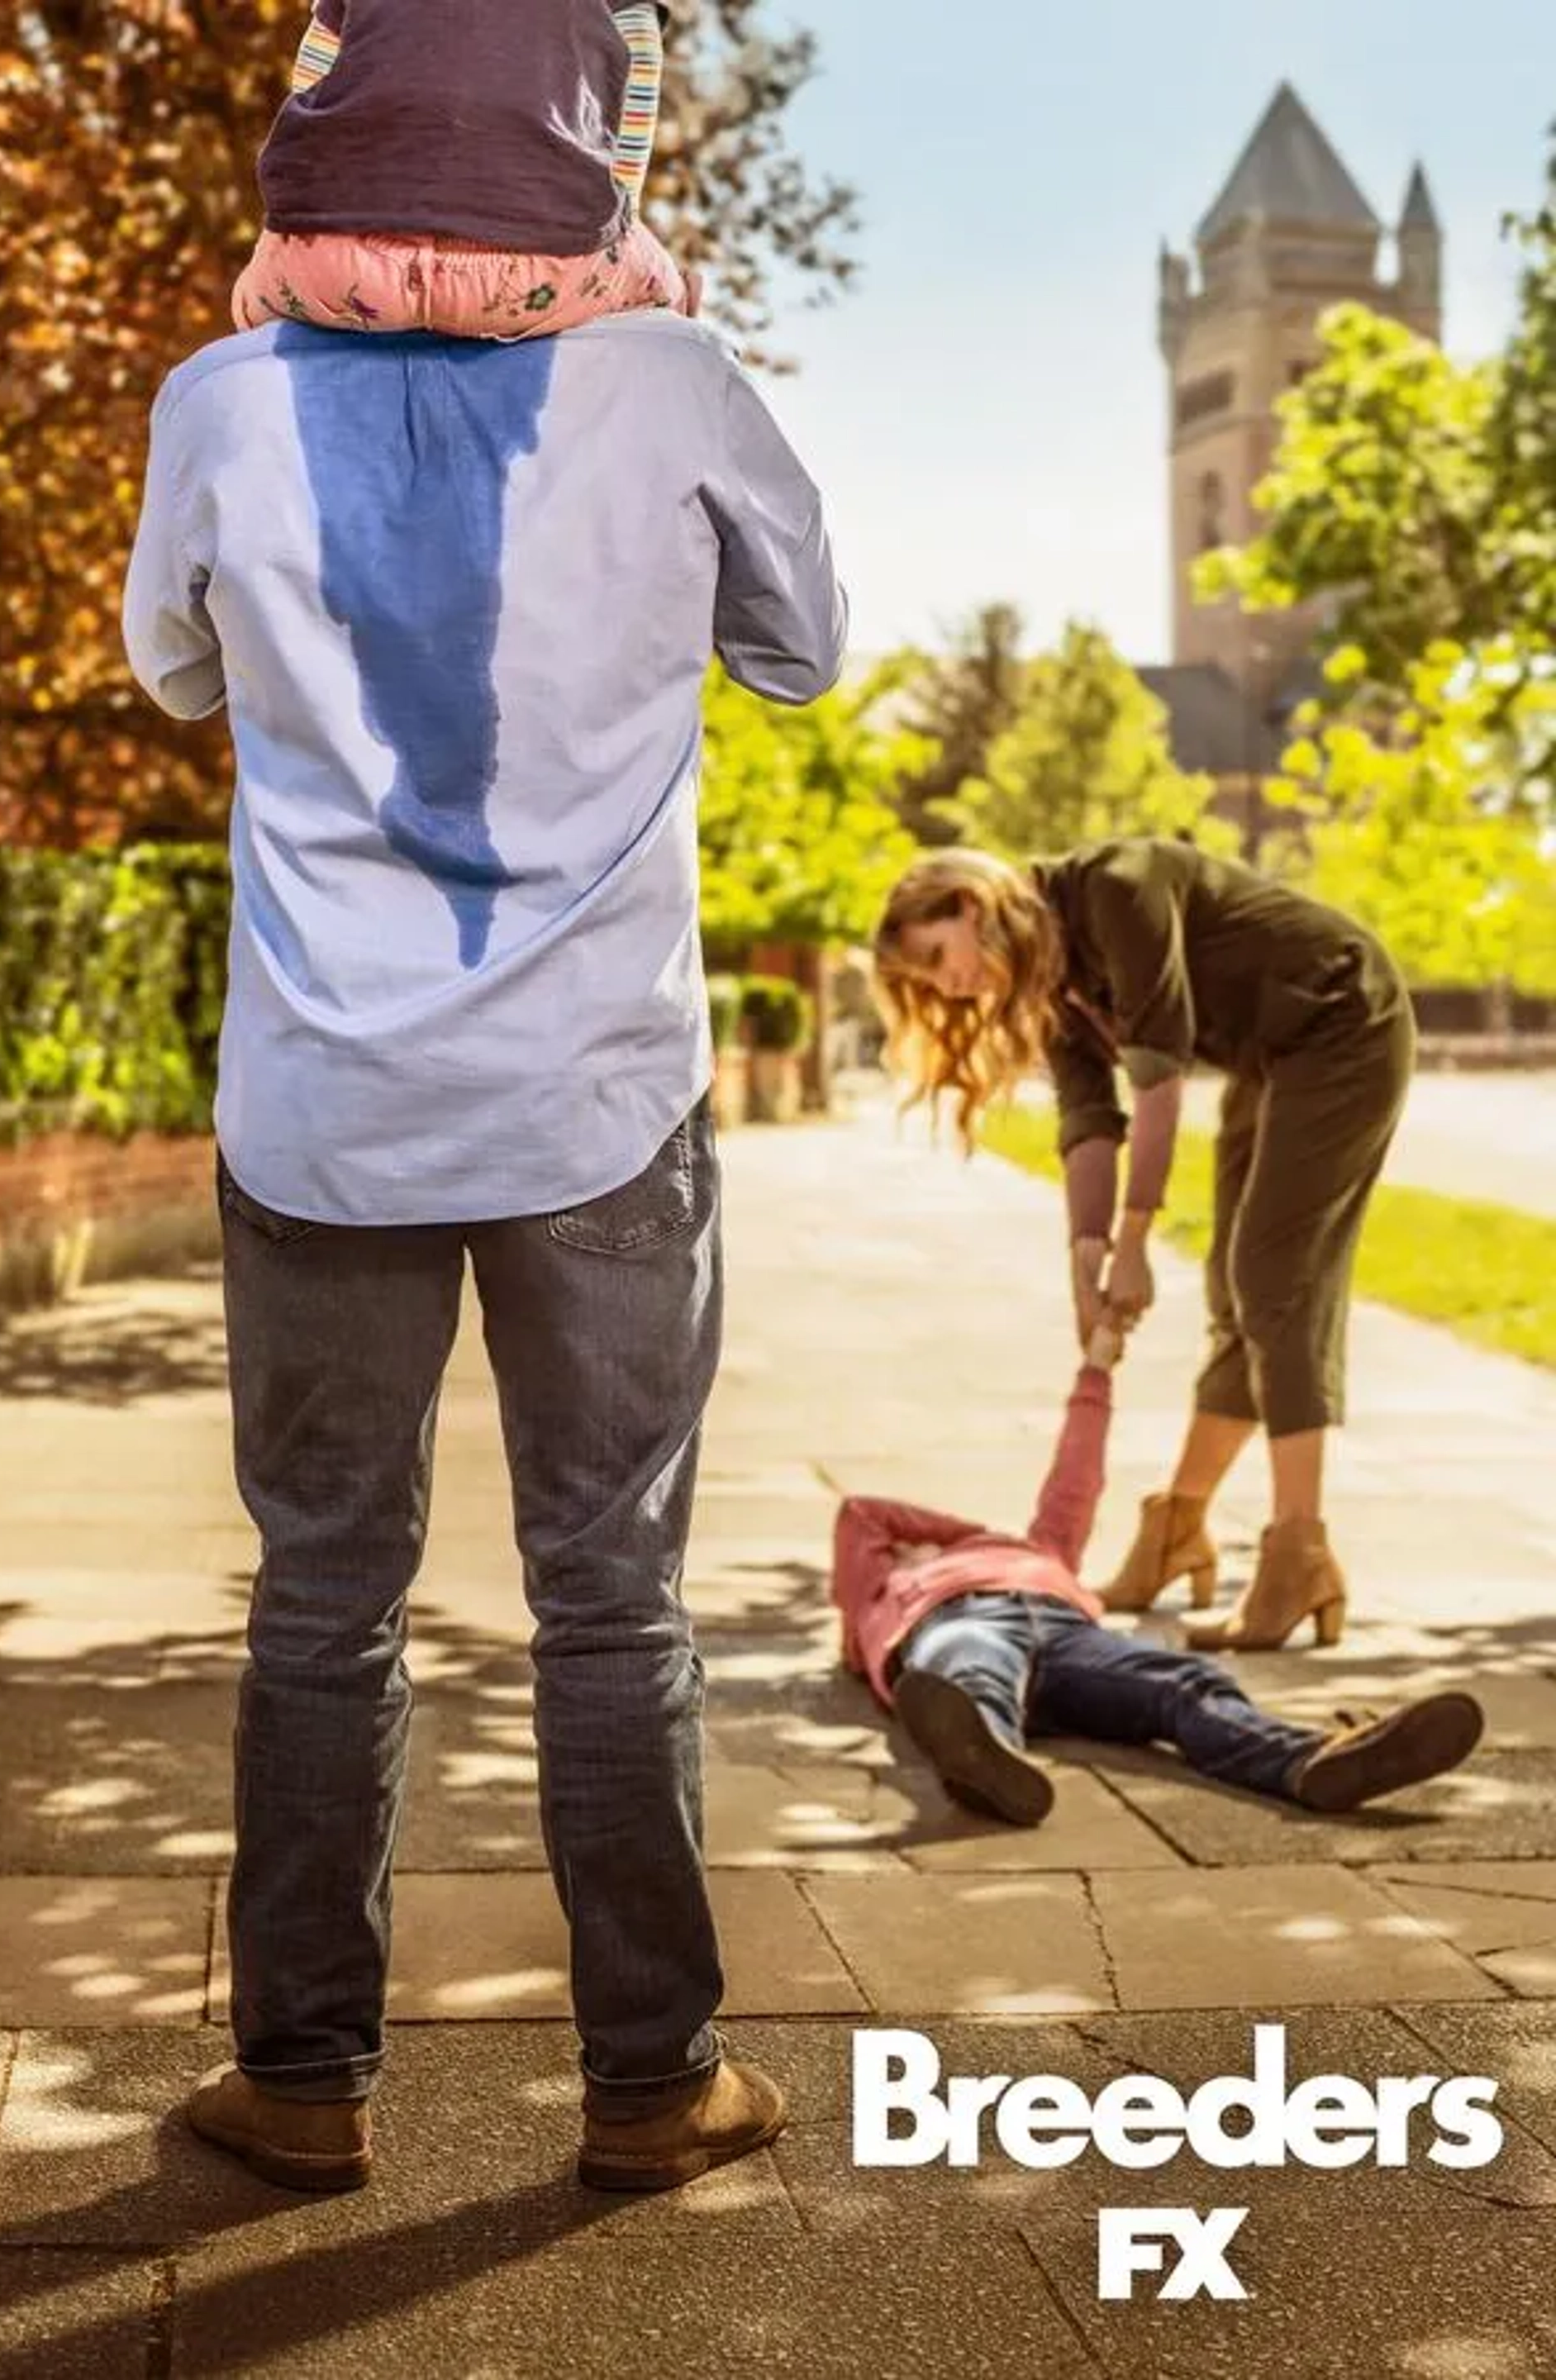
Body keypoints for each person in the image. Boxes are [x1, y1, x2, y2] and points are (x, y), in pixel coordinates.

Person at [123, 278, 845, 2192]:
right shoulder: (676, 379)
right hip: (597, 1098)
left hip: (326, 1105)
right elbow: (801, 651)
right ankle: (647, 2083)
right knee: (610, 1592)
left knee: (323, 1590)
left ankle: (299, 2081)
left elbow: (179, 672)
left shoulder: (223, 396)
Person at [872, 839, 1417, 1653]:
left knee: (1273, 1276)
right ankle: (1179, 1528)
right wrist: (1084, 1263)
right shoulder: (1048, 980)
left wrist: (1134, 1239)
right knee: (1241, 1295)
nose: (948, 986)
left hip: (1345, 1019)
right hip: (1272, 1056)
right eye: (926, 981)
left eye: (937, 958)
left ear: (972, 906)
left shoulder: (1121, 892)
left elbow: (1157, 1077)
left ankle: (1299, 1549)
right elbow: (1090, 1123)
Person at [833, 1326, 1482, 1824]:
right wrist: (943, 1553)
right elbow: (861, 1513)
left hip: (1067, 1630)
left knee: (1187, 1683)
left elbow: (1076, 1477)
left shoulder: (1040, 1547)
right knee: (970, 1671)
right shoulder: (883, 1591)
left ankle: (1310, 1761)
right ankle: (985, 1760)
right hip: (957, 1622)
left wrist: (1097, 1369)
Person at [233, 2, 690, 340]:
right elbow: (641, 75)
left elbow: (314, 72)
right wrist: (619, 217)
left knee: (251, 299)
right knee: (666, 294)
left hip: (339, 268)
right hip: (530, 278)